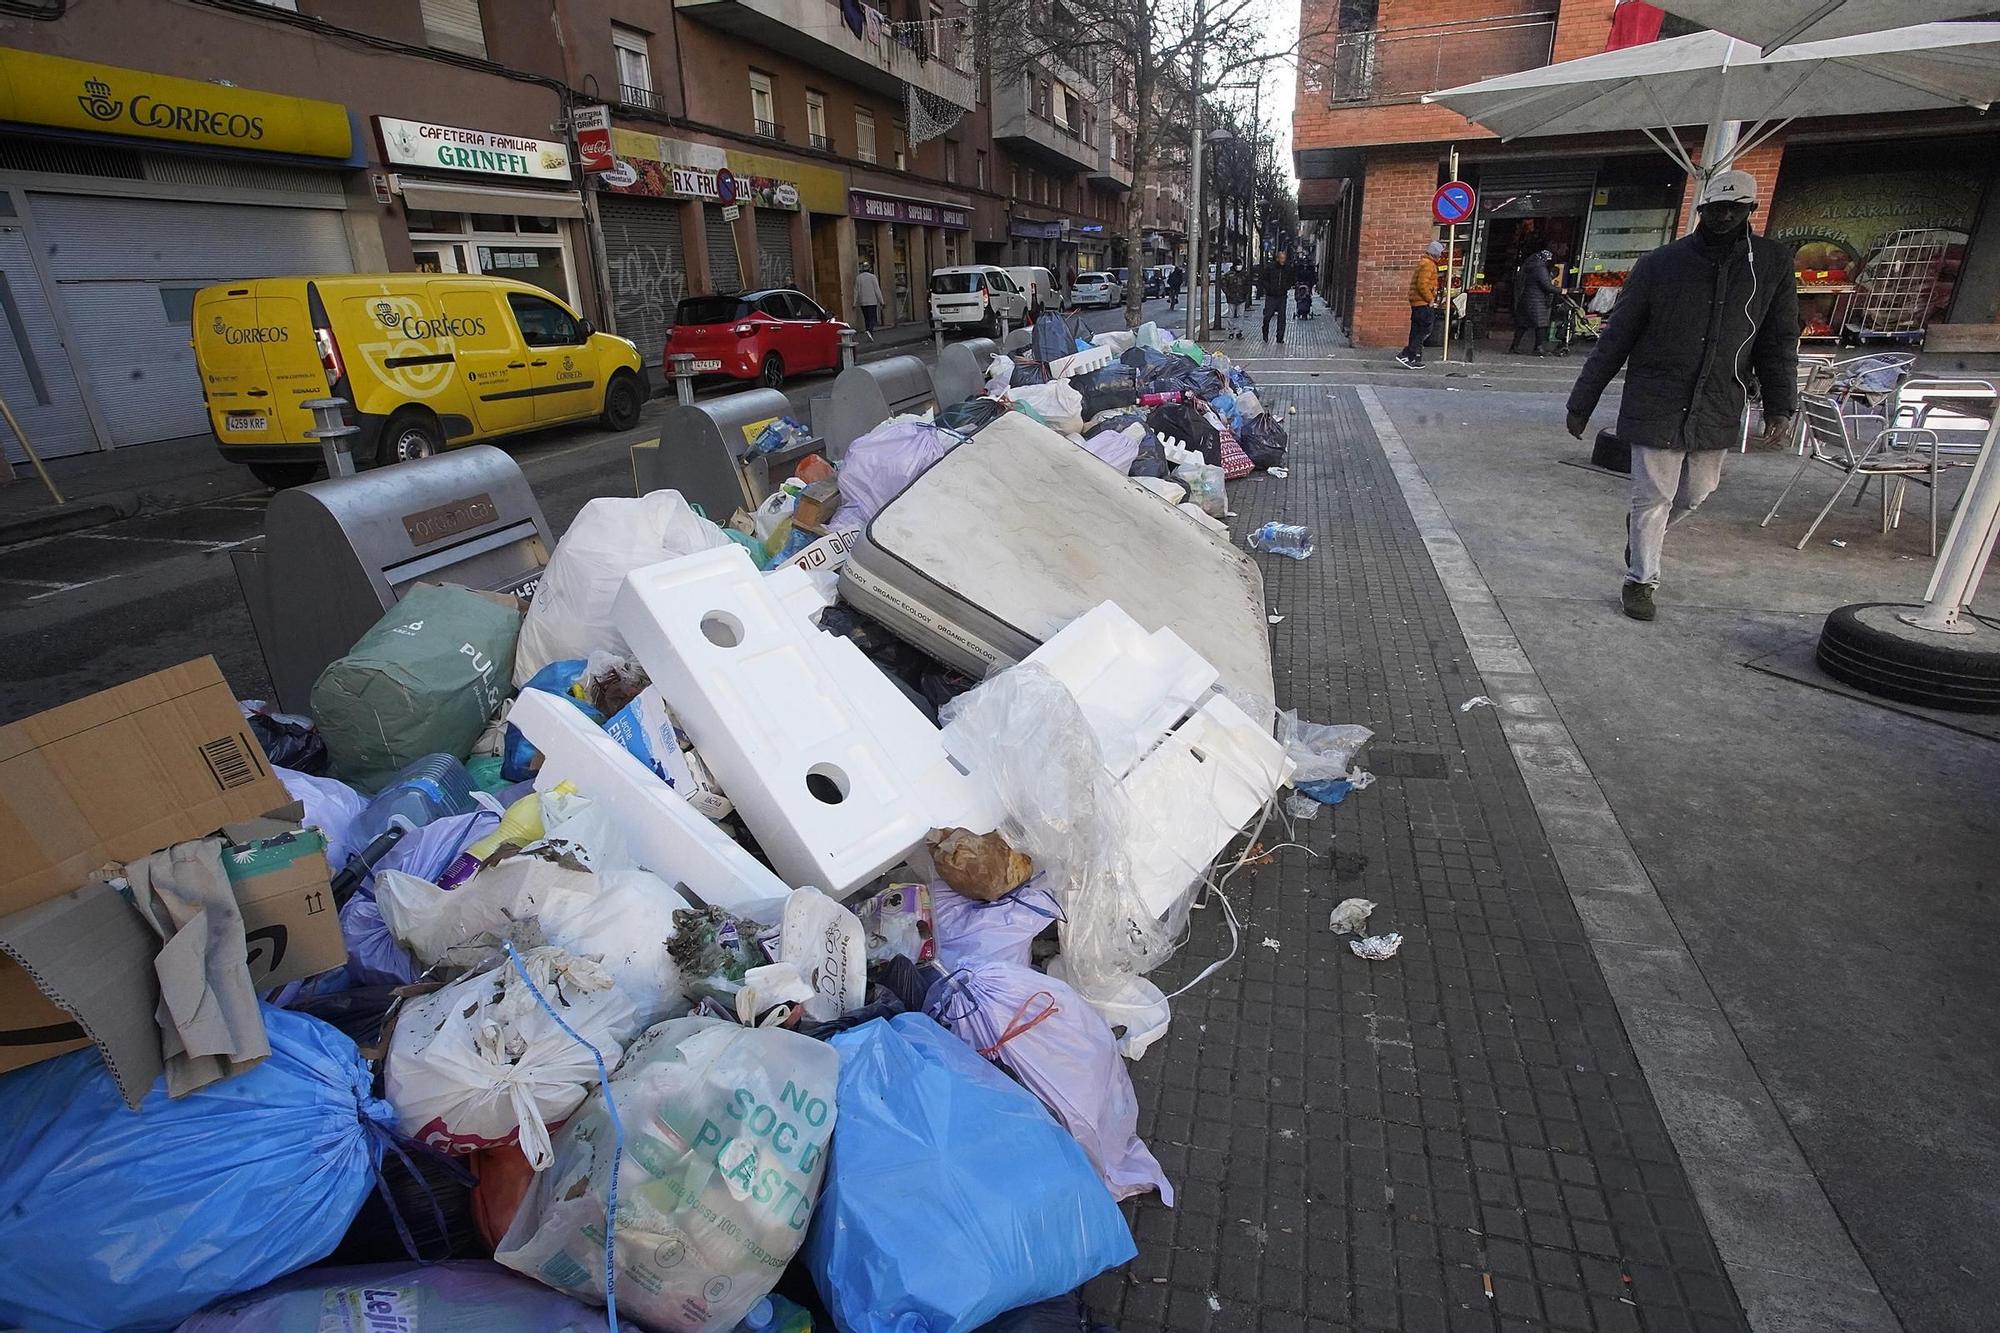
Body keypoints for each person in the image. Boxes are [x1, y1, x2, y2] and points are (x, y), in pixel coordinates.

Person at [1565, 169, 1799, 622]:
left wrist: (1780, 401)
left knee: (1697, 492)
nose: (1724, 217)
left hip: (1717, 398)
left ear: (1750, 211)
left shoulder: (1769, 265)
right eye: (1715, 209)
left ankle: (1640, 536)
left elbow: (1778, 337)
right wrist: (1583, 400)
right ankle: (1641, 580)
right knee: (1652, 496)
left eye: (1735, 209)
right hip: (1658, 395)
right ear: (1701, 210)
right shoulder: (1661, 264)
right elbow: (1617, 337)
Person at [1395, 240, 1445, 369]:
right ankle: (1406, 354)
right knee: (1425, 329)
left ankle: (1411, 358)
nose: (1441, 256)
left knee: (1416, 330)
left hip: (1417, 303)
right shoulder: (1429, 265)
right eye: (1440, 253)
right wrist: (1430, 299)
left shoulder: (1424, 263)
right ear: (1436, 253)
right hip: (1422, 303)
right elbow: (1422, 285)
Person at [1509, 248, 1559, 355]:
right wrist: (1560, 290)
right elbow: (1546, 285)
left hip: (1526, 297)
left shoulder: (1531, 266)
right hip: (1536, 299)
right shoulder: (1540, 269)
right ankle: (1538, 347)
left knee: (1523, 324)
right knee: (1541, 324)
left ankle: (1514, 346)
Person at [1260, 248, 1290, 343]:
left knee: (1282, 317)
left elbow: (1291, 279)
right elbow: (1263, 279)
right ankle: (1265, 331)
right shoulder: (1270, 267)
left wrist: (1286, 287)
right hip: (1271, 296)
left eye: (1284, 258)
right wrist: (1269, 288)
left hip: (1282, 296)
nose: (1283, 260)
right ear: (1277, 258)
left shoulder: (1287, 268)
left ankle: (1280, 337)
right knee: (1268, 316)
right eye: (1281, 258)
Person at [854, 262, 883, 340]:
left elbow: (856, 291)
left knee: (866, 317)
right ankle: (870, 330)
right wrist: (881, 301)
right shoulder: (873, 277)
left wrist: (854, 302)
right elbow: (877, 290)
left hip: (863, 302)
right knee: (872, 317)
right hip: (872, 301)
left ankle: (868, 330)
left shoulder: (858, 278)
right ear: (869, 268)